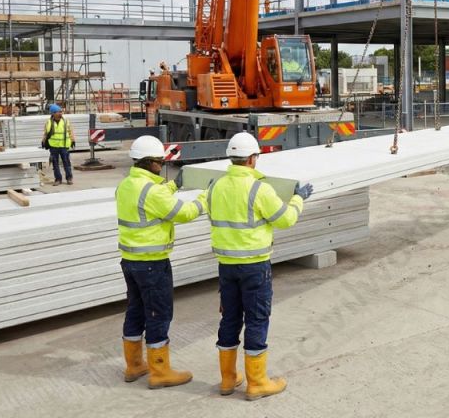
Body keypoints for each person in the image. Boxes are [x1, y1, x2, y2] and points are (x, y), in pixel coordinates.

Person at [207, 132, 314, 400]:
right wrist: (299, 199)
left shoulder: (215, 187)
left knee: (230, 318)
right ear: (253, 159)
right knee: (256, 319)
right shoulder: (259, 189)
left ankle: (227, 380)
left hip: (226, 267)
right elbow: (285, 219)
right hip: (254, 266)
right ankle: (256, 383)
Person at [116, 135, 207, 388]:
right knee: (159, 314)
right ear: (150, 163)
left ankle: (134, 366)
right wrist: (204, 200)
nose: (162, 165)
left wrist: (173, 186)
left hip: (130, 261)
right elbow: (183, 213)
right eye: (159, 162)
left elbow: (151, 196)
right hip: (152, 263)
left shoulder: (126, 185)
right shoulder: (152, 192)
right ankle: (160, 372)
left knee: (135, 310)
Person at [43, 104, 75, 185]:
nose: (61, 113)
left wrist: (73, 140)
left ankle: (69, 178)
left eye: (61, 112)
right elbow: (46, 133)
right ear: (53, 113)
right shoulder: (49, 122)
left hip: (64, 146)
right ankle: (58, 179)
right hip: (53, 146)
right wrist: (43, 142)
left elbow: (70, 131)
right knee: (55, 164)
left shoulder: (66, 121)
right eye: (58, 112)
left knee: (66, 163)